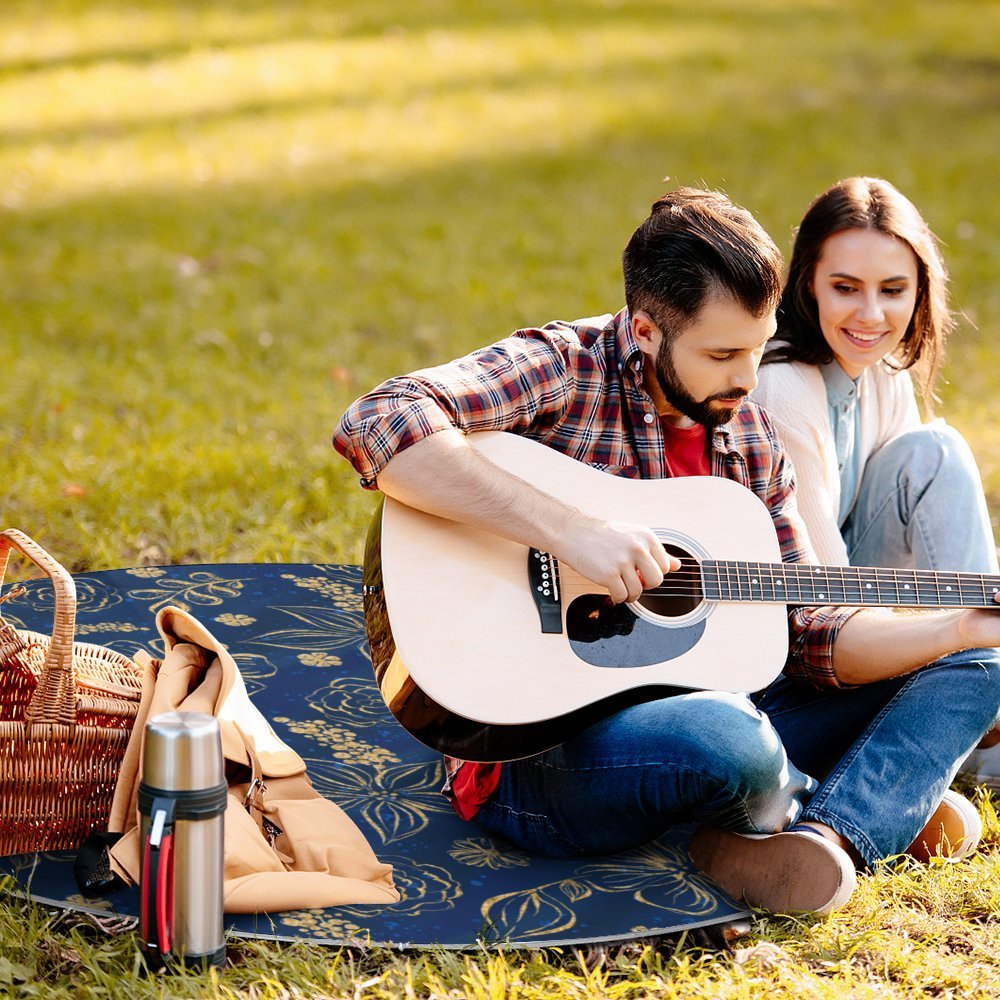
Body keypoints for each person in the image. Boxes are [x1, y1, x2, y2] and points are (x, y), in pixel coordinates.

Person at [333, 187, 1000, 916]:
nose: (748, 380)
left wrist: (956, 628)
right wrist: (569, 530)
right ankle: (861, 796)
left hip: (726, 708)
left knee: (980, 665)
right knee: (728, 740)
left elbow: (810, 629)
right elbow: (380, 419)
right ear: (646, 330)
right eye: (722, 354)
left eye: (757, 346)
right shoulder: (564, 367)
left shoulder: (748, 435)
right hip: (539, 754)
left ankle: (831, 837)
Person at [753, 176, 1000, 788]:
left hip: (861, 613)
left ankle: (979, 695)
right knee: (937, 451)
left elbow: (919, 544)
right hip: (795, 648)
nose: (871, 315)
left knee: (931, 451)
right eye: (845, 288)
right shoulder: (783, 386)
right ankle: (978, 727)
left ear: (920, 291)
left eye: (893, 290)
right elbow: (824, 602)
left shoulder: (882, 369)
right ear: (807, 281)